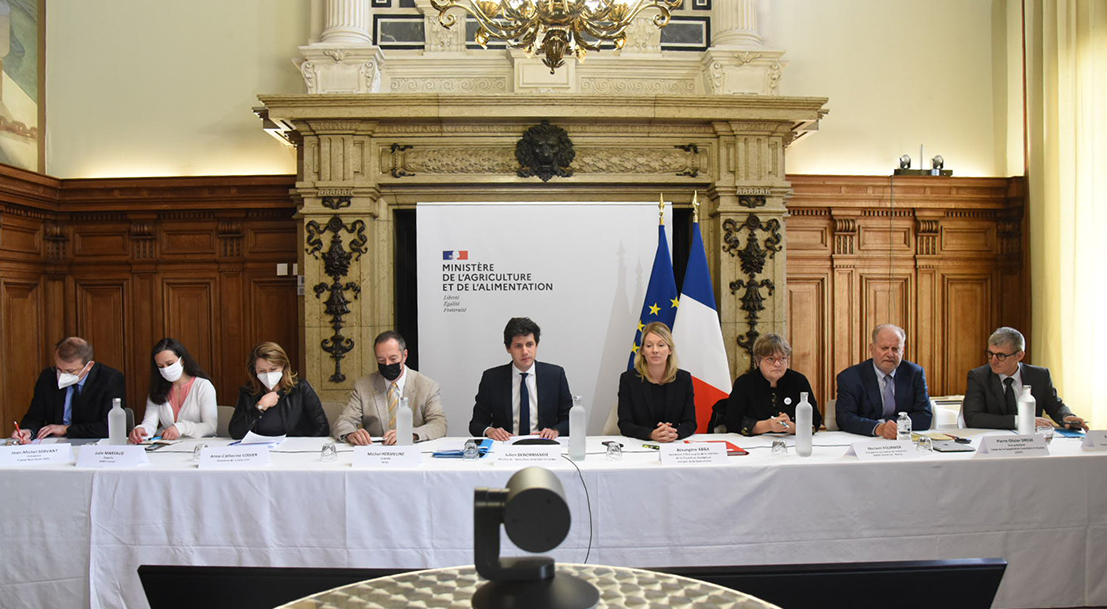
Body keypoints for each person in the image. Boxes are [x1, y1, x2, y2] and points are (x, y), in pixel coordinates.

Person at [333, 331, 447, 445]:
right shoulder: (363, 386)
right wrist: (351, 434)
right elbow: (343, 422)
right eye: (381, 360)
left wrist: (410, 434)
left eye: (393, 359)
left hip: (413, 450)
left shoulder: (427, 386)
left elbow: (439, 424)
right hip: (376, 453)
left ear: (404, 356)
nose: (387, 364)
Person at [962, 327, 1088, 430]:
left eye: (1001, 355)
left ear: (1019, 355)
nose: (993, 361)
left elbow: (1055, 406)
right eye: (990, 354)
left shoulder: (1040, 375)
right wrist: (1022, 421)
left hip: (1032, 442)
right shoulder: (979, 376)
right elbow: (973, 418)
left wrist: (1066, 417)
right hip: (993, 442)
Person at [469, 317, 573, 440]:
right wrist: (489, 431)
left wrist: (556, 431)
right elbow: (476, 424)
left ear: (536, 345)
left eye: (529, 344)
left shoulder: (555, 375)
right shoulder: (491, 378)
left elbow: (569, 419)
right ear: (508, 348)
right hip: (506, 446)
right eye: (518, 346)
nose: (525, 352)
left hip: (544, 444)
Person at [12, 337, 126, 442]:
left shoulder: (109, 379)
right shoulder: (48, 376)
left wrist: (66, 429)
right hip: (54, 445)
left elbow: (109, 427)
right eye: (59, 369)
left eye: (70, 371)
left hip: (93, 443)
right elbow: (35, 415)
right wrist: (28, 431)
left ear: (89, 366)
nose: (62, 375)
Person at [835, 324, 932, 437]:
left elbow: (925, 417)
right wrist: (878, 428)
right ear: (872, 349)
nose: (890, 354)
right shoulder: (850, 377)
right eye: (884, 348)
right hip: (864, 440)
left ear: (903, 350)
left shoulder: (914, 373)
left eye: (895, 349)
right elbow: (844, 418)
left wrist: (889, 425)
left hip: (903, 440)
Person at [721, 333, 822, 435]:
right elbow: (732, 423)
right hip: (754, 444)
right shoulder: (744, 383)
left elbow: (815, 420)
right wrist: (767, 425)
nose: (777, 364)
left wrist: (792, 428)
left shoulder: (798, 381)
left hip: (792, 442)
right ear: (758, 361)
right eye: (770, 359)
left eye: (782, 358)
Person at [229, 341, 329, 439]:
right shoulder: (248, 392)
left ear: (283, 366)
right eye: (262, 371)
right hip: (262, 449)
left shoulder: (300, 388)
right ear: (254, 371)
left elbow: (322, 428)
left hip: (294, 451)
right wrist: (259, 407)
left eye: (273, 369)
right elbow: (235, 433)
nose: (268, 375)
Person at [617, 321, 697, 442]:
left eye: (661, 345)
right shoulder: (629, 379)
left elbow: (690, 422)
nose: (655, 350)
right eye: (649, 346)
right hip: (640, 445)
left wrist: (675, 433)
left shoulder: (683, 379)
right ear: (643, 351)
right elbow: (624, 424)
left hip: (673, 445)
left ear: (670, 350)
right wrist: (651, 434)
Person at [129, 338, 218, 443]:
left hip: (197, 448)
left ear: (182, 360)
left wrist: (181, 428)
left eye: (170, 364)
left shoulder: (203, 386)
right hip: (167, 449)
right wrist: (141, 430)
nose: (166, 369)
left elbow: (211, 427)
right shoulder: (157, 390)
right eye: (160, 366)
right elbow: (150, 423)